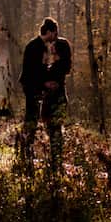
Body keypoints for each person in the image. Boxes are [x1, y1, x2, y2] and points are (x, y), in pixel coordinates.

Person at [20, 17, 72, 176]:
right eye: (54, 34)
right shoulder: (34, 47)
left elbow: (56, 71)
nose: (55, 38)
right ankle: (26, 156)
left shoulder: (56, 52)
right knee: (32, 121)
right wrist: (44, 84)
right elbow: (31, 73)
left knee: (51, 126)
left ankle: (52, 161)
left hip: (47, 93)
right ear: (49, 32)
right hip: (33, 89)